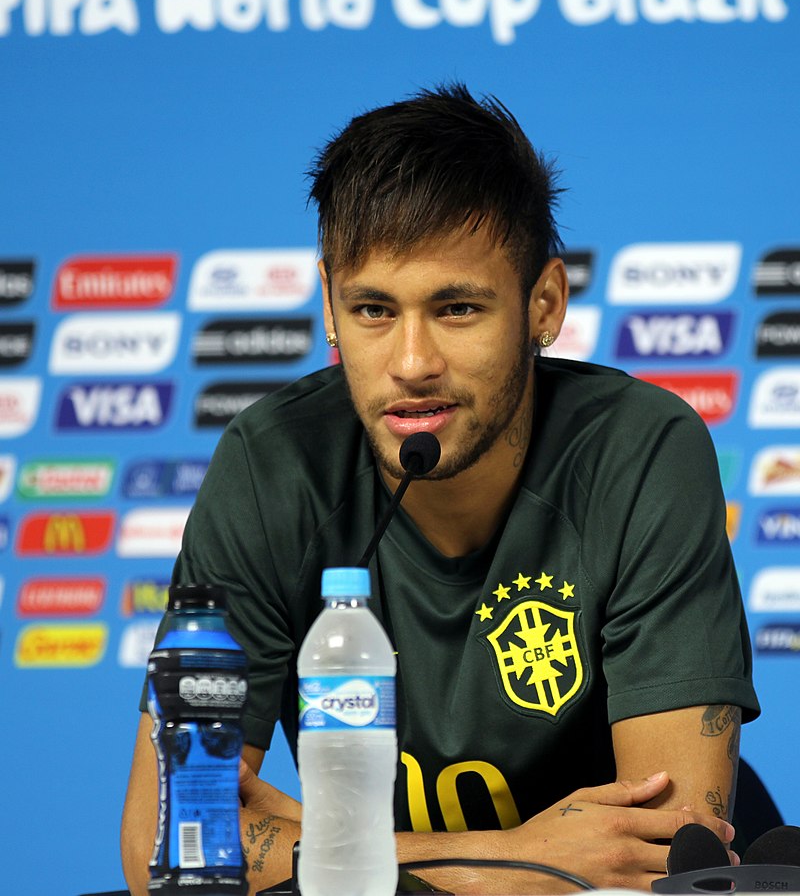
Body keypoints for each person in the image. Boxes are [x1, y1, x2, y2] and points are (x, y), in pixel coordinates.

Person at [121, 83, 759, 895]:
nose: (412, 362)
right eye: (373, 309)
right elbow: (162, 843)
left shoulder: (640, 451)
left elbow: (668, 854)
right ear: (328, 303)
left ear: (544, 304)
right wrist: (515, 861)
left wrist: (322, 843)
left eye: (457, 308)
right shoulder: (269, 465)